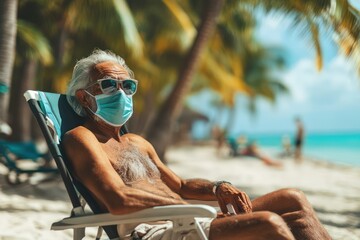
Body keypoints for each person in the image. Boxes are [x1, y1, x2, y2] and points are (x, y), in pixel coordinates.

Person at [63, 50, 331, 239]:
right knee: (268, 223)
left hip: (187, 218)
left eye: (127, 86)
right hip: (154, 231)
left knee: (292, 200)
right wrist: (188, 209)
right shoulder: (82, 137)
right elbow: (118, 199)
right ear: (85, 98)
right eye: (109, 85)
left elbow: (180, 186)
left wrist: (218, 188)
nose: (121, 93)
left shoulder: (137, 142)